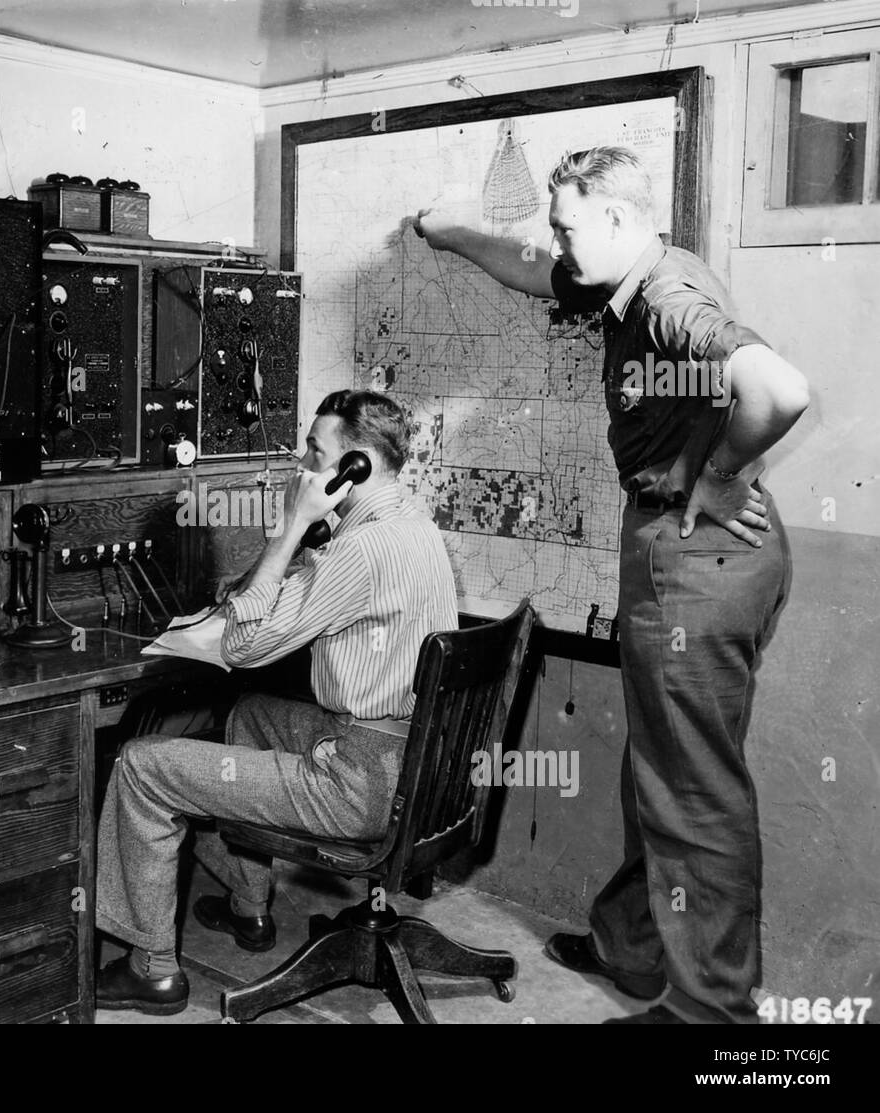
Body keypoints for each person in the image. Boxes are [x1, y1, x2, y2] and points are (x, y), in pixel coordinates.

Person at [414, 146, 809, 1024]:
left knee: (693, 792)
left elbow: (779, 389)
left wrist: (720, 476)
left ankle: (712, 1015)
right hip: (686, 546)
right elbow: (530, 271)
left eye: (565, 223)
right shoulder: (633, 272)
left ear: (619, 218)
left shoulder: (667, 300)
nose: (555, 241)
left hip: (694, 549)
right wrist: (452, 235)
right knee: (662, 766)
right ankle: (635, 944)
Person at [94, 390, 459, 1014]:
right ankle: (248, 904)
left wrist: (290, 527)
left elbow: (244, 642)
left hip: (360, 782)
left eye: (315, 451)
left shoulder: (359, 550)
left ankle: (151, 966)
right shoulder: (414, 527)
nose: (303, 463)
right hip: (421, 769)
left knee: (140, 767)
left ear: (357, 466)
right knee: (249, 715)